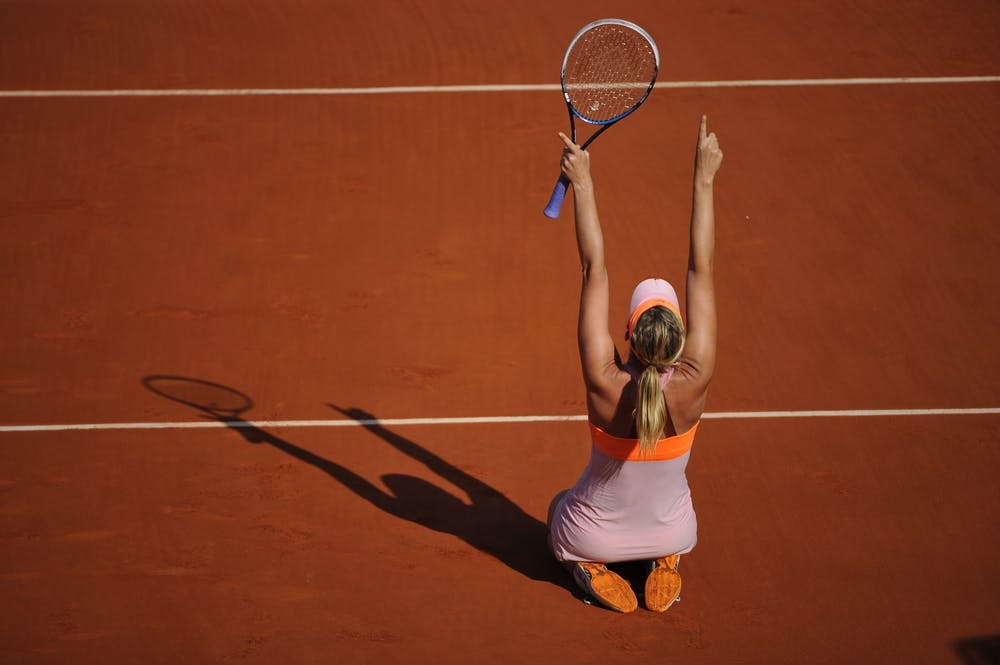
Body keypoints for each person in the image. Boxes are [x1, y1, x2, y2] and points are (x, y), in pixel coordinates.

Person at [546, 116, 723, 613]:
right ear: (682, 336)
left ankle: (589, 569)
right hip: (677, 532)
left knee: (558, 507)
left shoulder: (604, 380)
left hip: (592, 537)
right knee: (666, 519)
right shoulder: (696, 377)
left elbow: (593, 268)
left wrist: (582, 182)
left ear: (629, 334)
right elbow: (700, 267)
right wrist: (703, 177)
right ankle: (663, 562)